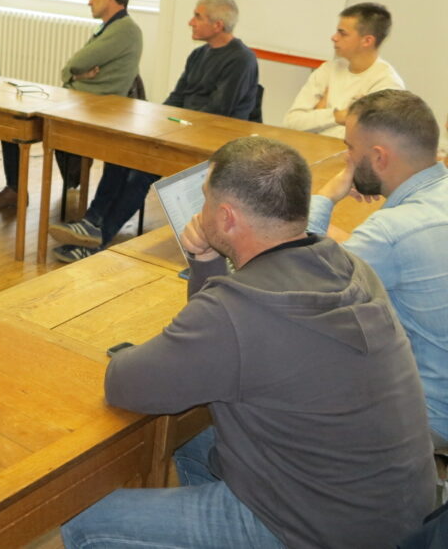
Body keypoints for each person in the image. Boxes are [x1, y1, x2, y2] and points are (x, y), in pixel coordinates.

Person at [60, 136, 434, 549]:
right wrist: (206, 262)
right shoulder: (351, 266)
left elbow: (124, 384)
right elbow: (225, 345)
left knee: (86, 522)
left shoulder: (237, 310)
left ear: (226, 217)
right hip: (402, 517)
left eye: (204, 201)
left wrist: (133, 355)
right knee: (197, 437)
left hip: (315, 533)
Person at [50, 0, 259, 261]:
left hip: (213, 143)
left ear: (218, 25)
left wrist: (175, 127)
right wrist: (157, 119)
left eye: (197, 16)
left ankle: (98, 240)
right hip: (184, 132)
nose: (190, 22)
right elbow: (177, 97)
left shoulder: (241, 59)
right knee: (123, 153)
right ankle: (93, 221)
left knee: (140, 170)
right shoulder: (198, 55)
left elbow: (220, 113)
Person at [308, 89, 448, 445]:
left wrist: (326, 196)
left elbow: (298, 283)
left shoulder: (390, 232)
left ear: (379, 157)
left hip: (426, 416)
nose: (346, 157)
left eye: (350, 148)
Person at [0, 0, 143, 210]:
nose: (89, 1)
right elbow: (72, 68)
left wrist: (75, 73)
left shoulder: (124, 29)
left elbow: (75, 64)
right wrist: (76, 73)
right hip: (79, 100)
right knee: (12, 114)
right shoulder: (110, 27)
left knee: (14, 119)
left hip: (92, 109)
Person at [283, 2, 404, 138]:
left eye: (342, 33)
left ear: (367, 41)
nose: (334, 38)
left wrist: (316, 117)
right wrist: (337, 116)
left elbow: (365, 139)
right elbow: (291, 122)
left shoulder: (388, 85)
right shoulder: (328, 69)